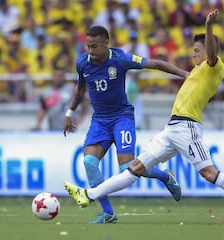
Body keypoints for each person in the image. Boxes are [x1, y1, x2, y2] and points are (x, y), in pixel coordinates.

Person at [64, 10, 224, 225]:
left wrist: (208, 26)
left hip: (187, 128)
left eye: (197, 51)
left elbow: (211, 53)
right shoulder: (196, 72)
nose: (194, 54)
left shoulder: (214, 66)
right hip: (171, 129)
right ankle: (88, 195)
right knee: (133, 169)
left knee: (210, 174)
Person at [63, 25, 187, 224]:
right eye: (88, 46)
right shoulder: (83, 64)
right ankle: (108, 213)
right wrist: (69, 113)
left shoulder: (120, 59)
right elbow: (80, 90)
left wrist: (184, 74)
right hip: (100, 120)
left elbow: (154, 64)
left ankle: (165, 177)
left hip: (122, 117)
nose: (91, 51)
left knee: (128, 168)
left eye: (94, 46)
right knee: (89, 163)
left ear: (106, 43)